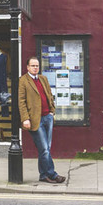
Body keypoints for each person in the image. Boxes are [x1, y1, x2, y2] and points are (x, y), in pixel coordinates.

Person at [18, 56, 65, 184]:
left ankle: (43, 175)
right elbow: (21, 102)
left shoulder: (43, 79)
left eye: (37, 66)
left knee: (45, 149)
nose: (35, 68)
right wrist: (25, 119)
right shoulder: (23, 81)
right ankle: (52, 174)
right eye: (33, 66)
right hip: (34, 120)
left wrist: (52, 111)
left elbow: (49, 95)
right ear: (27, 67)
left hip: (47, 117)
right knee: (44, 148)